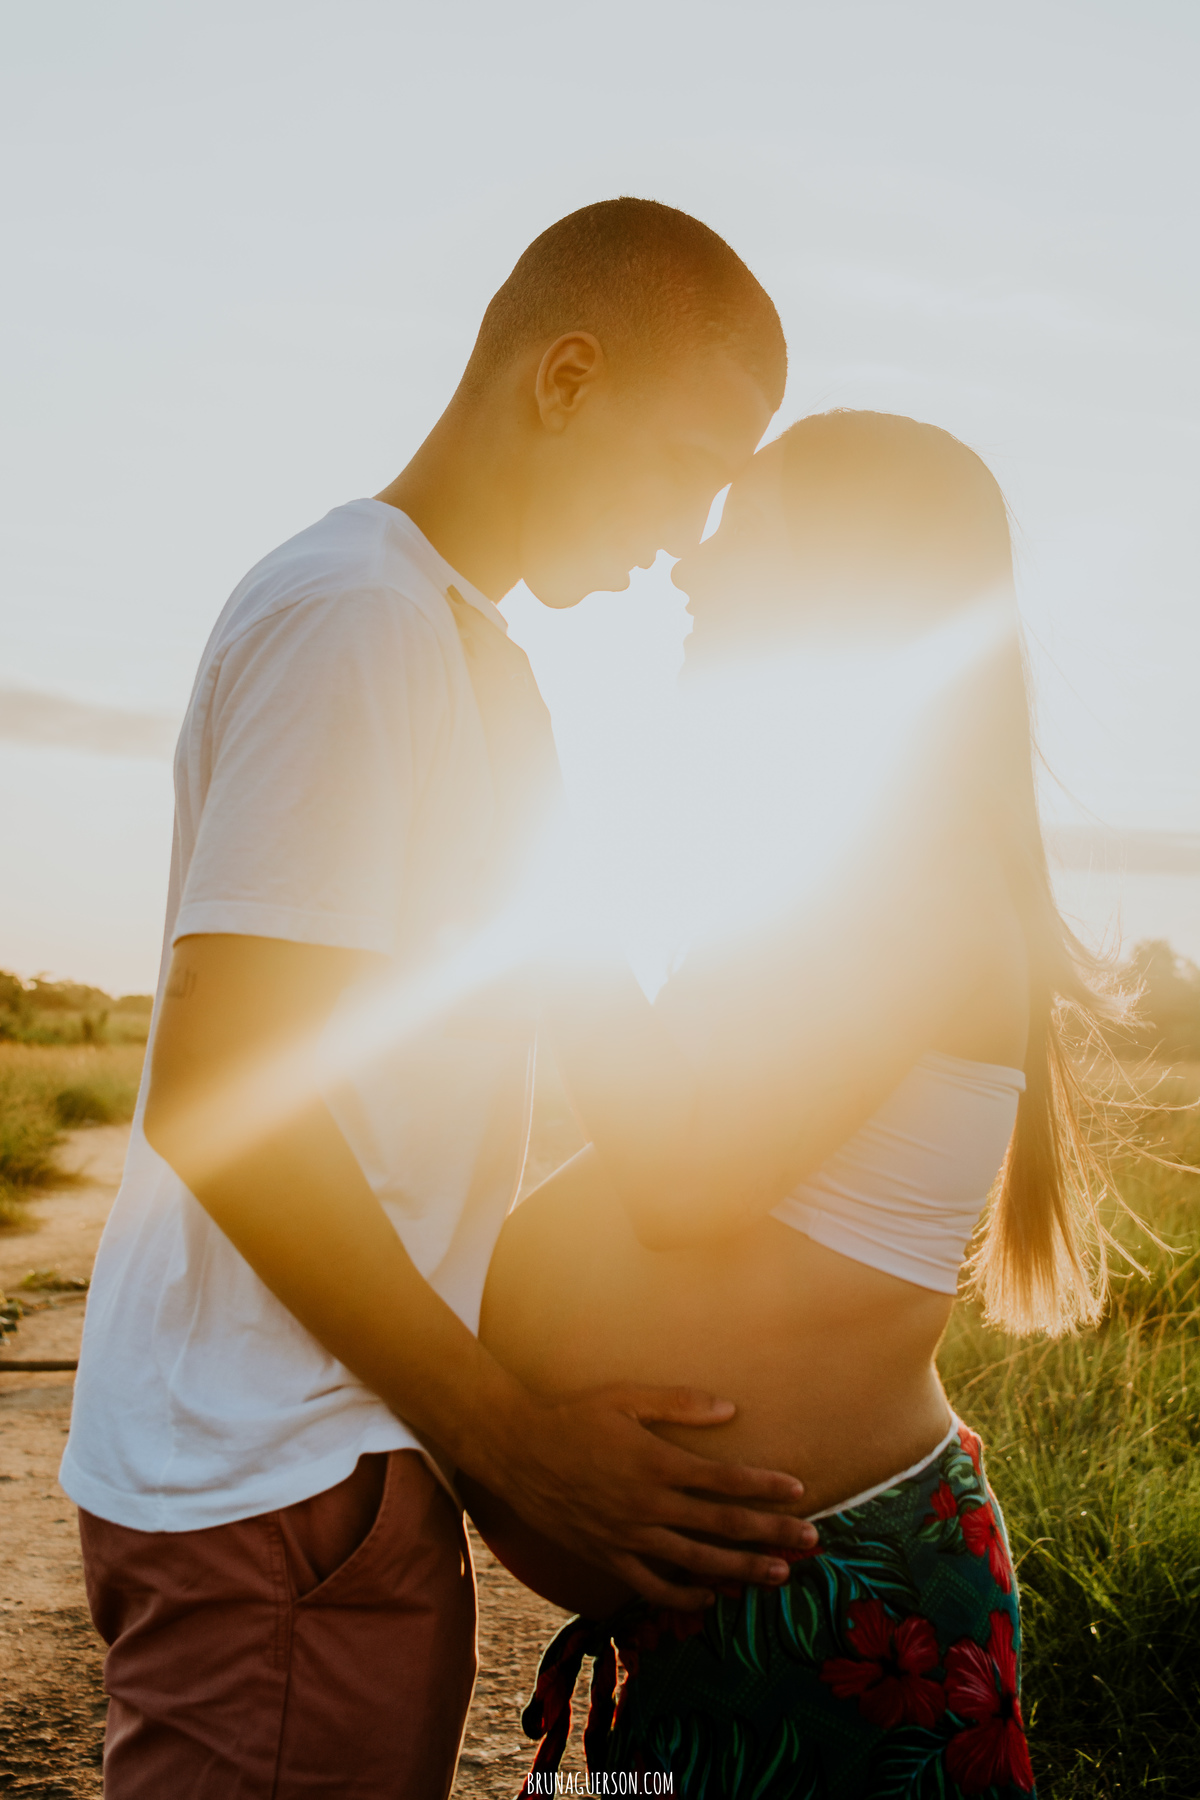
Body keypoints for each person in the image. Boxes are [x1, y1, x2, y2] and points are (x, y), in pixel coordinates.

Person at [59, 198, 820, 1800]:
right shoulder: (360, 619)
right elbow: (222, 1093)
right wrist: (514, 1443)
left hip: (332, 1483)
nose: (691, 533)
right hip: (279, 1491)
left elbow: (612, 1071)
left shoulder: (476, 665)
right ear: (564, 380)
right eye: (690, 461)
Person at [470, 411, 1124, 1798]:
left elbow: (681, 1173)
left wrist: (537, 863)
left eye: (734, 530)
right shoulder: (836, 864)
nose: (687, 572)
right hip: (751, 1608)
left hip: (849, 1612)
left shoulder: (921, 880)